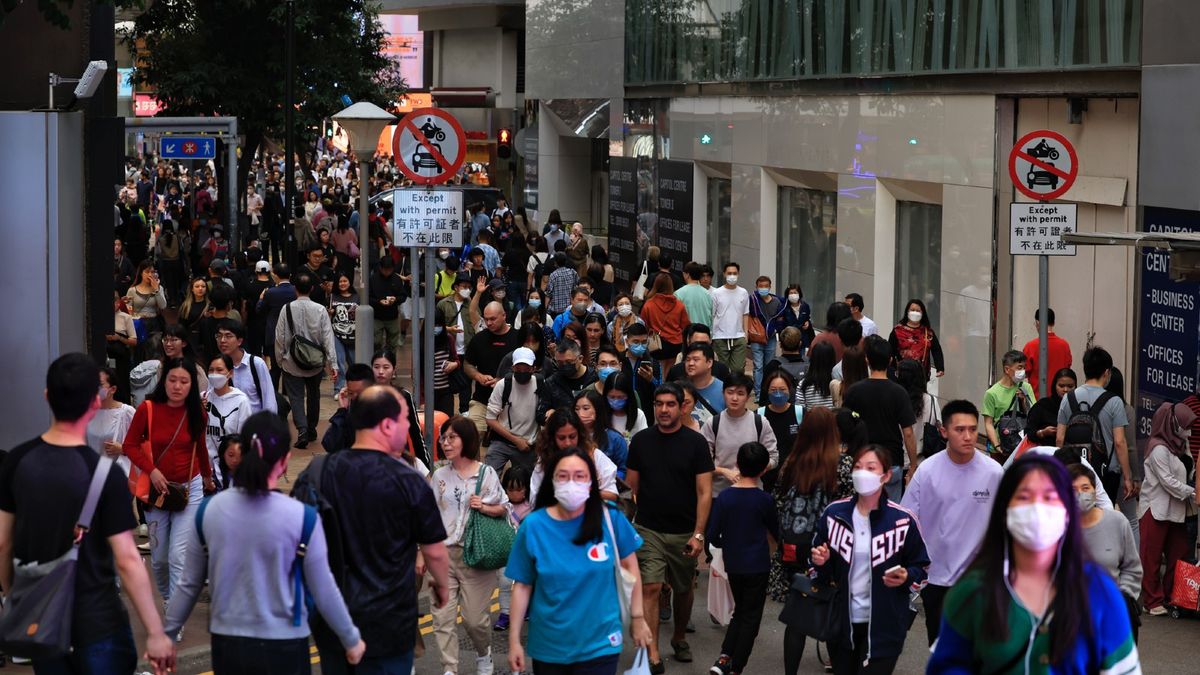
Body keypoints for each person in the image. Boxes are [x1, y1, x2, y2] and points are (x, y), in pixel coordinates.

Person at [0, 354, 175, 674]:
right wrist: (155, 632)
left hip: (44, 623)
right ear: (94, 404)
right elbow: (127, 559)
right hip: (99, 623)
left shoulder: (16, 461)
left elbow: (2, 544)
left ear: (47, 397)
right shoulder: (104, 474)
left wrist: (18, 600)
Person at [164, 412, 366, 673]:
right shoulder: (303, 518)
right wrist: (351, 638)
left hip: (229, 644)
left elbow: (189, 584)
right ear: (285, 462)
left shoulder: (209, 511)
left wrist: (166, 635)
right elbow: (324, 589)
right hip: (286, 646)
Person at [928, 455, 1141, 673]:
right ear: (1004, 509)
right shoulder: (972, 592)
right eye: (1024, 496)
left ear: (1066, 511)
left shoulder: (1100, 593)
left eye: (1049, 497)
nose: (1037, 509)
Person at [299, 386, 451, 674]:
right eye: (405, 419)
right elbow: (434, 551)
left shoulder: (317, 472)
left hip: (332, 620)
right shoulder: (410, 480)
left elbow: (296, 538)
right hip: (389, 623)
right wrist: (441, 584)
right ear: (386, 425)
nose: (408, 426)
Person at [506, 447, 652, 674]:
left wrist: (638, 617)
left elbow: (630, 567)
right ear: (552, 481)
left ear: (591, 482)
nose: (571, 483)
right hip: (549, 647)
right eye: (563, 476)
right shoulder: (533, 526)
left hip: (601, 644)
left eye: (580, 476)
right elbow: (522, 585)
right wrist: (514, 640)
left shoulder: (610, 519)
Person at [809, 444, 930, 674]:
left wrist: (906, 577)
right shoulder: (834, 514)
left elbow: (922, 568)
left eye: (870, 468)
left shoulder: (902, 521)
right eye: (857, 467)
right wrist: (820, 562)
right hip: (841, 625)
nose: (862, 473)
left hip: (885, 627)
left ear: (886, 476)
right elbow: (817, 571)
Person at [626, 384, 715, 673]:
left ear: (682, 407)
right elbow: (632, 486)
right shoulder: (640, 441)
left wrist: (699, 533)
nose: (664, 410)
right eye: (659, 404)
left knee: (683, 588)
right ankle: (652, 652)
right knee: (650, 587)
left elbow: (704, 491)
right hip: (648, 528)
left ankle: (678, 637)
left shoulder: (696, 443)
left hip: (684, 531)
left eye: (670, 404)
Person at [901, 399, 1003, 646]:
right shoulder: (927, 472)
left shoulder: (993, 473)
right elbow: (906, 522)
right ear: (943, 431)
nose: (968, 436)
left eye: (972, 428)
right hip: (936, 578)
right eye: (960, 430)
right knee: (941, 649)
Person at [123, 357, 216, 607]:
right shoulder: (148, 409)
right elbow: (129, 446)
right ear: (163, 381)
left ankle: (174, 610)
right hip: (157, 492)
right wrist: (151, 470)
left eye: (184, 381)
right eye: (172, 380)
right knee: (160, 558)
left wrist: (207, 477)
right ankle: (166, 596)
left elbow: (201, 449)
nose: (177, 386)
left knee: (178, 556)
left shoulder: (198, 413)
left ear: (191, 385)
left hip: (191, 488)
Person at [769, 407, 852, 675]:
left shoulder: (791, 463)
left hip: (797, 548)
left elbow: (778, 503)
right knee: (834, 609)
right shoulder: (843, 465)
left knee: (797, 616)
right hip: (832, 550)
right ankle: (835, 664)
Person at [429, 416, 508, 675]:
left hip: (476, 555)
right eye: (443, 437)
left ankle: (483, 653)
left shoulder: (485, 474)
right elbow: (428, 514)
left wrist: (483, 506)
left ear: (468, 440)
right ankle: (449, 669)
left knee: (475, 621)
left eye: (452, 437)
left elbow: (503, 509)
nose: (446, 442)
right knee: (442, 618)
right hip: (442, 556)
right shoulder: (439, 475)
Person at [706, 442, 779, 675]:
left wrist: (725, 545)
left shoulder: (725, 497)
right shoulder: (764, 499)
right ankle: (736, 666)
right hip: (758, 563)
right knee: (751, 616)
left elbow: (712, 535)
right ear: (763, 470)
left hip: (733, 563)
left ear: (737, 464)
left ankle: (724, 657)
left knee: (740, 610)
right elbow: (776, 531)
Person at [1056, 346, 1134, 513]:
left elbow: (1059, 439)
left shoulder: (1068, 399)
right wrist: (1128, 478)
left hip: (1074, 469)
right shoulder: (1114, 402)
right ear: (1106, 372)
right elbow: (1120, 442)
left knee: (1074, 516)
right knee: (1102, 517)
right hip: (1107, 473)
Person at [1137, 401, 1198, 615]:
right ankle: (1152, 601)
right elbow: (1168, 481)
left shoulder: (1182, 445)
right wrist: (1193, 492)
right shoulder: (1158, 448)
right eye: (1184, 426)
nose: (1188, 431)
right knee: (1151, 557)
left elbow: (1187, 472)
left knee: (1178, 554)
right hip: (1156, 508)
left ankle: (1172, 596)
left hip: (1178, 510)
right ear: (1172, 424)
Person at [1070, 463, 1143, 637]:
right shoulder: (1058, 528)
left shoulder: (1117, 522)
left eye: (1085, 487)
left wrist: (1123, 599)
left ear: (1095, 491)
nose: (1080, 494)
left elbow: (1132, 568)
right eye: (1073, 489)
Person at [843, 336, 917, 498]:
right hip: (891, 460)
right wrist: (913, 464)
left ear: (867, 360)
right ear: (890, 360)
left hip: (862, 459)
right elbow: (908, 433)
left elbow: (845, 425)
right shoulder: (899, 392)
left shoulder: (854, 391)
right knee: (890, 513)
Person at [274, 271, 338, 449]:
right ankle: (311, 428)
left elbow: (280, 337)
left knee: (295, 396)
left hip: (291, 361)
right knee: (314, 394)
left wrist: (280, 359)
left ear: (295, 289)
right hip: (315, 362)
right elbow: (327, 337)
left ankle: (301, 429)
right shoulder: (320, 310)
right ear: (311, 288)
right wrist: (333, 363)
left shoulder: (286, 309)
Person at [702, 373, 779, 495]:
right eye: (730, 392)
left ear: (748, 397)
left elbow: (774, 457)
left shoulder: (759, 422)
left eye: (740, 393)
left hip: (753, 491)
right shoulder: (712, 423)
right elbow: (703, 461)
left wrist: (756, 470)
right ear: (723, 393)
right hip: (719, 493)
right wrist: (724, 471)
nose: (734, 398)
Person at [529, 411, 621, 502]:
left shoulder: (595, 456)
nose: (568, 443)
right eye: (562, 438)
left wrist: (586, 492)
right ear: (552, 438)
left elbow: (613, 495)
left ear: (579, 434)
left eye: (572, 437)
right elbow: (534, 499)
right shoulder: (545, 460)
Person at [464, 302, 522, 435]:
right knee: (471, 435)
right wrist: (478, 376)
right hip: (483, 399)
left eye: (493, 319)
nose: (489, 323)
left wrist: (502, 381)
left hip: (512, 401)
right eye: (486, 319)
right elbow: (467, 365)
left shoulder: (518, 338)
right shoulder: (479, 338)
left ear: (504, 316)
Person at [484, 347, 543, 475]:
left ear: (533, 369)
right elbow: (490, 419)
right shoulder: (503, 385)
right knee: (488, 476)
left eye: (526, 369)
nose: (522, 372)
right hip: (502, 439)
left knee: (526, 482)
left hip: (528, 444)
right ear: (512, 367)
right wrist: (515, 440)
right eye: (518, 368)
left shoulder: (540, 384)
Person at [493, 465, 533, 633]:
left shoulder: (531, 507)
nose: (514, 493)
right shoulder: (502, 506)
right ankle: (505, 613)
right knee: (505, 582)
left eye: (519, 489)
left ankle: (527, 607)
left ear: (526, 488)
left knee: (525, 582)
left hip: (525, 553)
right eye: (510, 489)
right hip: (505, 552)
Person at [203, 354, 252, 486]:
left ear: (230, 373)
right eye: (211, 370)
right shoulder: (203, 398)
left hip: (230, 472)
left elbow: (243, 439)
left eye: (219, 370)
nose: (214, 374)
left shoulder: (241, 401)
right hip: (204, 472)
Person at [215, 319, 277, 414]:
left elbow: (269, 400)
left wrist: (267, 426)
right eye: (219, 336)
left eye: (228, 336)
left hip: (253, 425)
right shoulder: (216, 365)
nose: (222, 340)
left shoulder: (256, 364)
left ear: (239, 341)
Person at [982, 350, 1037, 457]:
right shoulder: (992, 393)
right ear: (1007, 369)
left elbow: (1033, 415)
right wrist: (997, 446)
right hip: (1001, 448)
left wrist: (1024, 401)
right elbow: (988, 423)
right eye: (1019, 367)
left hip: (1023, 446)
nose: (1023, 371)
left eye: (1024, 367)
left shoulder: (1026, 388)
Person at [759, 370, 804, 491]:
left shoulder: (800, 413)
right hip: (766, 478)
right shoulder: (759, 415)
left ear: (789, 390)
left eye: (782, 389)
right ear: (767, 391)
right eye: (773, 390)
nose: (778, 394)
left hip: (795, 477)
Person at [87, 366, 136, 475]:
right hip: (93, 476)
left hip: (120, 476)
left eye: (100, 384)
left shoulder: (126, 412)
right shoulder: (87, 413)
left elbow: (144, 445)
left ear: (112, 389)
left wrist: (123, 449)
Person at [538, 339, 599, 419]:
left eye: (569, 361)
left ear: (580, 359)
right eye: (560, 362)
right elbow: (540, 415)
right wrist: (551, 415)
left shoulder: (595, 378)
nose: (564, 365)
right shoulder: (551, 383)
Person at [576, 389, 629, 479]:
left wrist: (606, 479)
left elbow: (624, 470)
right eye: (577, 409)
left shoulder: (615, 438)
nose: (580, 413)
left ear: (597, 411)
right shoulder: (572, 436)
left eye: (586, 408)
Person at [1022, 307, 1073, 398]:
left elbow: (1023, 372)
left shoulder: (1030, 346)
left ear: (1038, 323)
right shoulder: (1064, 345)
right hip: (1060, 398)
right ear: (1053, 323)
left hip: (1037, 399)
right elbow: (1067, 368)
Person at [887, 298, 944, 379]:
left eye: (918, 311)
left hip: (922, 375)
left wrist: (940, 367)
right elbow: (890, 351)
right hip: (901, 375)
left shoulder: (928, 332)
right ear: (907, 312)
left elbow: (936, 350)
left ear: (922, 313)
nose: (915, 313)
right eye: (912, 310)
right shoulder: (897, 330)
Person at [710, 263, 750, 376]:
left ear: (738, 274)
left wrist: (746, 333)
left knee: (738, 369)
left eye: (734, 273)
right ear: (724, 274)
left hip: (739, 336)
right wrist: (712, 334)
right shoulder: (716, 293)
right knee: (722, 371)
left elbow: (746, 313)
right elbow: (712, 315)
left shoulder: (743, 292)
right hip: (720, 337)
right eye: (729, 273)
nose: (732, 276)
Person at [894, 358, 938, 458]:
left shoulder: (894, 399)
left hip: (898, 457)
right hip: (923, 457)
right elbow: (937, 425)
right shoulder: (931, 400)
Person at [749, 276, 786, 392]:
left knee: (769, 366)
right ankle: (759, 392)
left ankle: (767, 389)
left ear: (770, 287)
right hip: (757, 337)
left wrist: (780, 336)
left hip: (771, 338)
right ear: (756, 287)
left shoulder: (777, 302)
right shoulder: (753, 300)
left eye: (766, 286)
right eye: (761, 286)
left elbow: (780, 319)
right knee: (758, 366)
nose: (763, 288)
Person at [1024, 368, 1077, 447]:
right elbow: (1028, 433)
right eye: (1061, 386)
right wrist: (1043, 433)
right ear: (1054, 386)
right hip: (1045, 455)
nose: (1065, 390)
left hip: (1073, 454)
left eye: (1070, 386)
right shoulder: (1042, 406)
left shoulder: (1078, 406)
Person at [758, 326, 807, 405]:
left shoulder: (772, 366)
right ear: (800, 343)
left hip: (779, 409)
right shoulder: (810, 364)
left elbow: (764, 398)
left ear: (780, 344)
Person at [369, 256, 407, 357]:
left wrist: (395, 300)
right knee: (375, 341)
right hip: (377, 316)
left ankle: (391, 363)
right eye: (385, 269)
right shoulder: (373, 279)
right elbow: (367, 298)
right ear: (380, 268)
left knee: (393, 343)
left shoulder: (396, 279)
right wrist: (379, 301)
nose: (387, 272)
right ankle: (376, 360)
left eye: (390, 270)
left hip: (392, 316)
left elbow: (403, 296)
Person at [329, 273, 357, 392]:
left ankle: (355, 387)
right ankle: (339, 388)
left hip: (353, 335)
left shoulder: (357, 297)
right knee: (339, 362)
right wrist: (329, 312)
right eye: (340, 282)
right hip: (336, 334)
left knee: (354, 363)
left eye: (345, 281)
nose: (342, 284)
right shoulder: (332, 296)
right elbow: (327, 314)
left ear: (350, 282)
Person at [683, 342, 725, 419]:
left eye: (696, 360)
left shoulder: (724, 390)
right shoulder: (680, 389)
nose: (690, 363)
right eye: (688, 360)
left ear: (709, 362)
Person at [605, 371, 649, 442]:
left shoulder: (638, 415)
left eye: (620, 397)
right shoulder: (600, 414)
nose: (616, 401)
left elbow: (644, 442)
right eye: (612, 397)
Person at [795, 341, 837, 412]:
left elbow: (799, 410)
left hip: (811, 421)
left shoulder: (804, 384)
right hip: (834, 422)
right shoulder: (838, 383)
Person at [779, 285, 813, 354]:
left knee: (801, 361)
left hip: (802, 340)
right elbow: (781, 325)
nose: (793, 295)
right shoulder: (784, 307)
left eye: (795, 292)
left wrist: (807, 323)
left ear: (799, 294)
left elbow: (807, 319)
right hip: (788, 341)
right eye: (791, 293)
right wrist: (782, 340)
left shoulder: (805, 306)